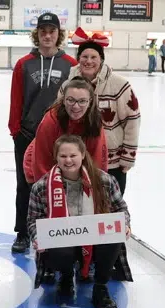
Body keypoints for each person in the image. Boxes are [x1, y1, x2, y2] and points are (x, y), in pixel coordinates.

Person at [27, 134, 129, 308]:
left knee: (113, 235)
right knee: (58, 249)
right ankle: (65, 276)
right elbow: (33, 220)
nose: (68, 160)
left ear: (82, 155)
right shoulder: (42, 186)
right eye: (63, 156)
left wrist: (125, 225)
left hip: (94, 242)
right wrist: (37, 238)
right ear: (56, 157)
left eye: (73, 155)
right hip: (65, 244)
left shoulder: (104, 180)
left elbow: (121, 209)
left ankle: (100, 286)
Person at [8, 12, 77, 254]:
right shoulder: (24, 64)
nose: (47, 35)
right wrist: (15, 130)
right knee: (24, 184)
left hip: (60, 137)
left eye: (52, 31)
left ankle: (57, 230)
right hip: (27, 134)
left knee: (59, 184)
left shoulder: (70, 64)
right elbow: (16, 98)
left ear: (59, 35)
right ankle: (23, 232)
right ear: (36, 34)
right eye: (43, 31)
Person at [65, 27, 140, 195]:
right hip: (77, 162)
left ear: (102, 60)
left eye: (93, 57)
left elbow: (132, 120)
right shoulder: (68, 84)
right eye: (84, 56)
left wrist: (128, 157)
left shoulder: (119, 85)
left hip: (112, 163)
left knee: (109, 209)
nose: (88, 61)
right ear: (78, 59)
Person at [26, 77, 108, 187]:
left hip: (74, 169)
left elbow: (98, 160)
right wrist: (46, 189)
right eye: (71, 100)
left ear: (90, 101)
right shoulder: (50, 121)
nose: (76, 106)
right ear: (63, 100)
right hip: (42, 165)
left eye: (82, 101)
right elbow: (41, 161)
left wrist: (96, 187)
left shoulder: (95, 122)